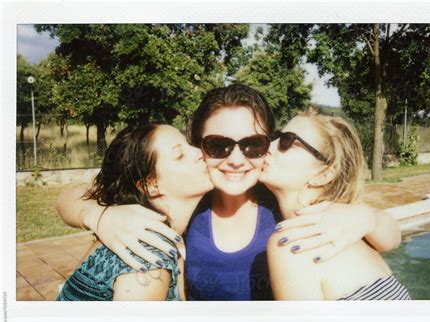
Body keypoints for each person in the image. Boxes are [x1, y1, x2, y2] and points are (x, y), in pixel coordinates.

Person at [56, 84, 401, 301]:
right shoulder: (185, 204)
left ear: (268, 147)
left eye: (252, 145)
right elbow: (71, 197)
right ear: (199, 147)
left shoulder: (287, 203)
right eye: (219, 145)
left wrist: (367, 216)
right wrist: (100, 215)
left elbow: (389, 238)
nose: (236, 160)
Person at [260, 109, 410, 300]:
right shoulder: (356, 232)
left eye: (287, 141)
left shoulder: (295, 243)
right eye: (275, 137)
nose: (269, 146)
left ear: (324, 174)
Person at [57, 123, 213, 301]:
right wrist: (98, 216)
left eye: (188, 144)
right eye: (179, 155)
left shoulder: (129, 225)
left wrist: (100, 215)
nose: (199, 152)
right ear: (151, 185)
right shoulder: (146, 260)